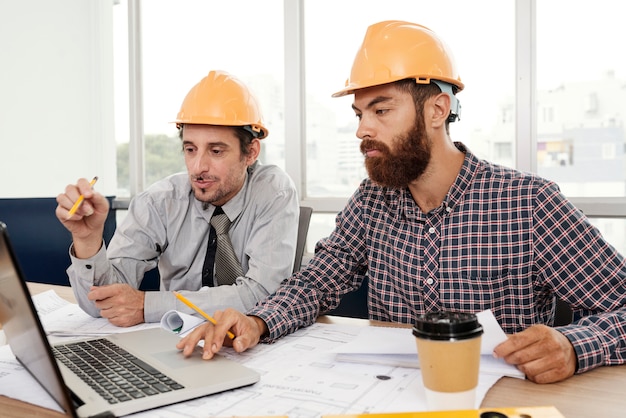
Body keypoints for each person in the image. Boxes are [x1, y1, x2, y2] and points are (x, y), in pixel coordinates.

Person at [178, 21, 626, 384]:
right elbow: (315, 284)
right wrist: (258, 321)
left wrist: (572, 346)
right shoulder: (373, 200)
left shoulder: (528, 204)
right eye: (359, 114)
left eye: (381, 110)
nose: (361, 129)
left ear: (436, 110)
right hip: (389, 399)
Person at [56, 70, 300, 327]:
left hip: (253, 347)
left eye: (216, 151)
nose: (198, 167)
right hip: (175, 342)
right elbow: (103, 306)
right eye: (190, 149)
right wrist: (87, 241)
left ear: (250, 152)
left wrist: (147, 306)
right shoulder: (159, 202)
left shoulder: (273, 191)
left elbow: (263, 295)